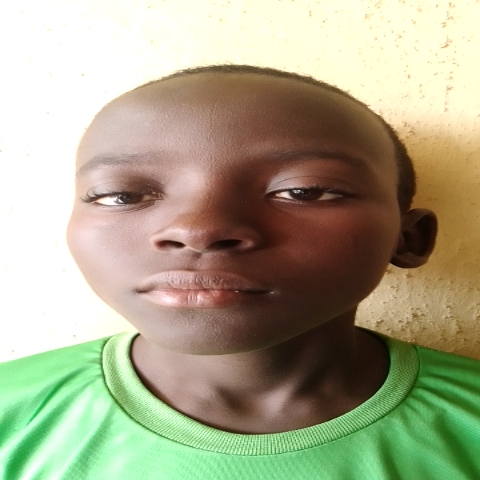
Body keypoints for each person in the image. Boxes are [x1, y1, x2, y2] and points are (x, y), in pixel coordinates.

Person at [1, 65, 479, 479]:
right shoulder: (13, 411)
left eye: (304, 191)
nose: (198, 230)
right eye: (121, 196)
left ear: (409, 239)